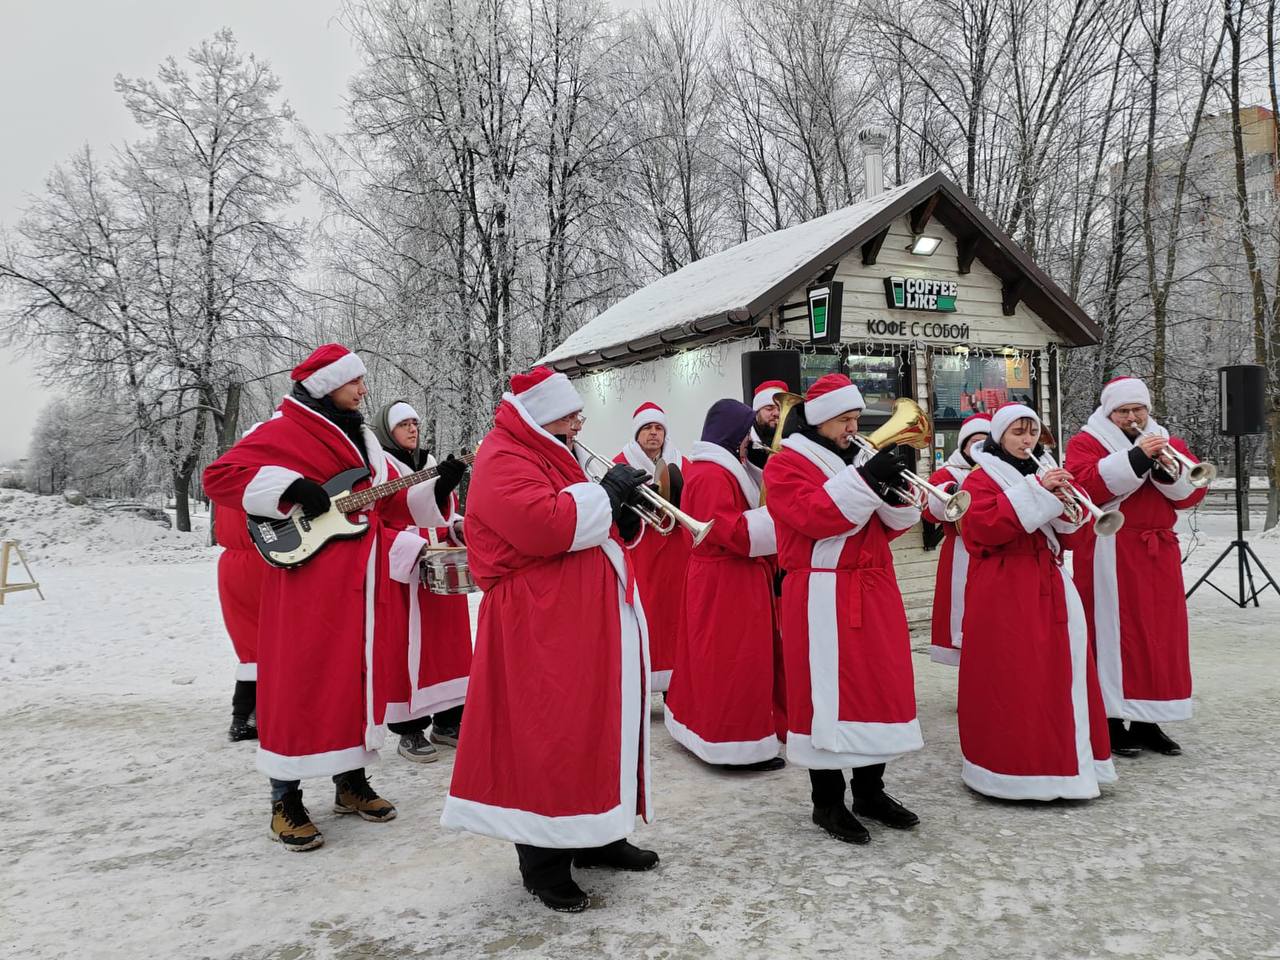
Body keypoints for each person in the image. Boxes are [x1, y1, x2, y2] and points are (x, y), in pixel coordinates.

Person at [204, 344, 450, 852]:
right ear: (324, 384)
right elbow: (220, 477)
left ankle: (350, 784)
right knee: (299, 682)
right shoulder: (283, 430)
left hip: (359, 587)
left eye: (363, 380)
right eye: (354, 381)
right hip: (305, 587)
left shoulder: (362, 437)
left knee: (352, 682)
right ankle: (285, 799)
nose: (364, 389)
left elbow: (391, 499)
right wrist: (291, 486)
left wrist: (437, 485)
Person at [440, 366, 658, 914]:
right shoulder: (502, 457)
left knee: (595, 723)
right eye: (569, 412)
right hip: (537, 622)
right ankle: (543, 865)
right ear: (540, 413)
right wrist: (606, 496)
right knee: (548, 733)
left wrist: (623, 511)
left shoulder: (553, 449)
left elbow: (591, 522)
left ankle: (600, 832)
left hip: (581, 618)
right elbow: (545, 526)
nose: (579, 421)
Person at [763, 374, 924, 844]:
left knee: (877, 689)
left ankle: (871, 791)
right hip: (820, 593)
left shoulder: (858, 458)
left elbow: (884, 529)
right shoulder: (784, 465)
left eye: (856, 418)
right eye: (844, 420)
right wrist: (866, 481)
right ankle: (827, 802)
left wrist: (895, 496)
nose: (853, 428)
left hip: (872, 588)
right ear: (819, 420)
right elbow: (813, 517)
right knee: (824, 698)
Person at [957, 402, 1116, 801]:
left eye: (1032, 432)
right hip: (1003, 586)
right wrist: (1037, 493)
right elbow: (981, 529)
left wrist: (1069, 504)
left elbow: (1075, 539)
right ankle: (1011, 769)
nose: (1027, 439)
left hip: (1049, 579)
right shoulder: (981, 478)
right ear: (999, 436)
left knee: (1062, 672)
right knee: (1013, 674)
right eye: (1018, 432)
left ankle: (1067, 764)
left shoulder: (1045, 469)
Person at [1065, 377, 1208, 757]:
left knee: (1159, 635)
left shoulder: (1166, 439)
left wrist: (1164, 470)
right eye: (1123, 411)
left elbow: (1189, 495)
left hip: (1156, 552)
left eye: (1138, 409)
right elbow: (1083, 488)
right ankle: (1111, 721)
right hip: (1109, 549)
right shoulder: (1086, 442)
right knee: (1110, 634)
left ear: (1148, 409)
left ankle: (1148, 720)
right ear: (1109, 413)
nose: (1132, 417)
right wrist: (1136, 459)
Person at [663, 399, 786, 771]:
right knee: (736, 661)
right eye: (745, 432)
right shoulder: (713, 475)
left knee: (715, 659)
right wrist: (774, 520)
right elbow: (728, 529)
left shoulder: (718, 470)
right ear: (733, 436)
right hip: (728, 580)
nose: (750, 440)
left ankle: (719, 733)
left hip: (725, 578)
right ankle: (737, 742)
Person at [370, 399, 470, 763]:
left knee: (450, 647)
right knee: (404, 647)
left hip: (439, 565)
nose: (412, 428)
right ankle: (409, 729)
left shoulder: (430, 464)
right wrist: (412, 546)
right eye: (403, 424)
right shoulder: (379, 467)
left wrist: (455, 527)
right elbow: (373, 523)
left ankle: (447, 721)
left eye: (415, 421)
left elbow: (441, 512)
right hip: (404, 570)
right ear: (387, 431)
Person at [613, 402, 692, 694]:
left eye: (658, 428)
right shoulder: (620, 464)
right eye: (647, 428)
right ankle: (641, 681)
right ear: (637, 434)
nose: (653, 434)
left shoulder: (682, 463)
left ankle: (678, 685)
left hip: (677, 553)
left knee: (676, 618)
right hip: (641, 553)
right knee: (646, 617)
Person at [922, 413, 992, 666]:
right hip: (961, 552)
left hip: (994, 551)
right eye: (974, 441)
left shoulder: (1000, 469)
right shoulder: (949, 472)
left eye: (985, 441)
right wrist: (948, 492)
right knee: (960, 612)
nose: (979, 447)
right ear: (963, 444)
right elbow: (930, 511)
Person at [214, 501, 263, 742]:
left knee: (250, 645)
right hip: (264, 561)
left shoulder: (228, 473)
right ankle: (255, 715)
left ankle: (242, 716)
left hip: (232, 564)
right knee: (270, 642)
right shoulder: (264, 472)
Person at [744, 380, 789, 483]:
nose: (776, 413)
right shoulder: (745, 443)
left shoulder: (793, 439)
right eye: (769, 408)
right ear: (757, 412)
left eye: (780, 408)